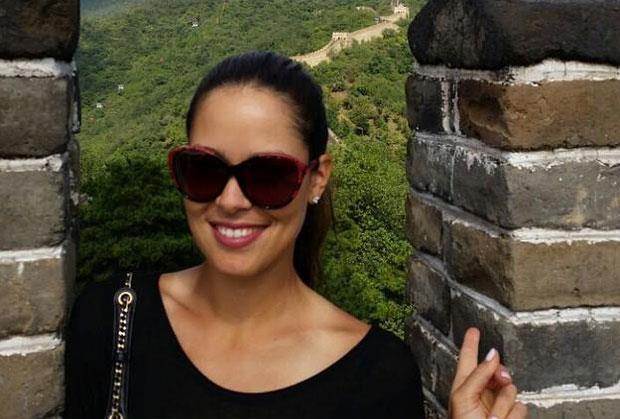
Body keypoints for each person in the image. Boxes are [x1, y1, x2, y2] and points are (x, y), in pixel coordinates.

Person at [64, 51, 527, 418]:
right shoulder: (113, 320)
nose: (230, 200)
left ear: (316, 179)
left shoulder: (378, 377)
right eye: (204, 170)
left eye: (267, 175)